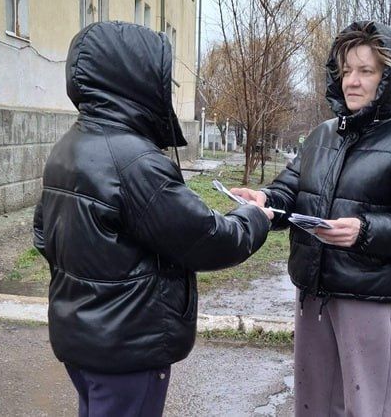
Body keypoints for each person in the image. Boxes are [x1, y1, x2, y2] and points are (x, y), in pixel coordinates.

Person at [33, 21, 273, 417]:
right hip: (128, 348)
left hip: (82, 340)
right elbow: (206, 238)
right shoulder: (135, 162)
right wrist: (255, 217)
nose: (167, 90)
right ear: (133, 78)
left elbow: (44, 236)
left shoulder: (68, 147)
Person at [232, 21, 391, 416]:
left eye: (366, 71)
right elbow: (291, 191)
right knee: (313, 405)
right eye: (347, 69)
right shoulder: (321, 136)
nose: (352, 81)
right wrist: (263, 199)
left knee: (366, 407)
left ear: (389, 78)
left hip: (371, 295)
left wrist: (364, 232)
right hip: (314, 292)